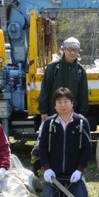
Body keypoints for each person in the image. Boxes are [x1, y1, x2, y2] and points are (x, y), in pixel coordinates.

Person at [31, 37, 89, 175]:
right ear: (63, 49)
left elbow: (83, 95)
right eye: (69, 49)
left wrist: (82, 114)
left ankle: (69, 170)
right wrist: (44, 111)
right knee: (45, 142)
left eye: (75, 50)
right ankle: (38, 168)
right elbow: (45, 89)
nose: (72, 53)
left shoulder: (80, 71)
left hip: (71, 115)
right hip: (53, 113)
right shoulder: (53, 68)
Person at [38, 87, 92, 197]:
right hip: (54, 175)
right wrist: (46, 168)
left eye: (66, 101)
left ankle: (75, 186)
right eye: (59, 102)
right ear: (55, 105)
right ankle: (59, 191)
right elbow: (42, 147)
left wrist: (79, 170)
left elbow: (87, 148)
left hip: (74, 174)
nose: (63, 105)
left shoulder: (82, 122)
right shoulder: (48, 123)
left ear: (72, 103)